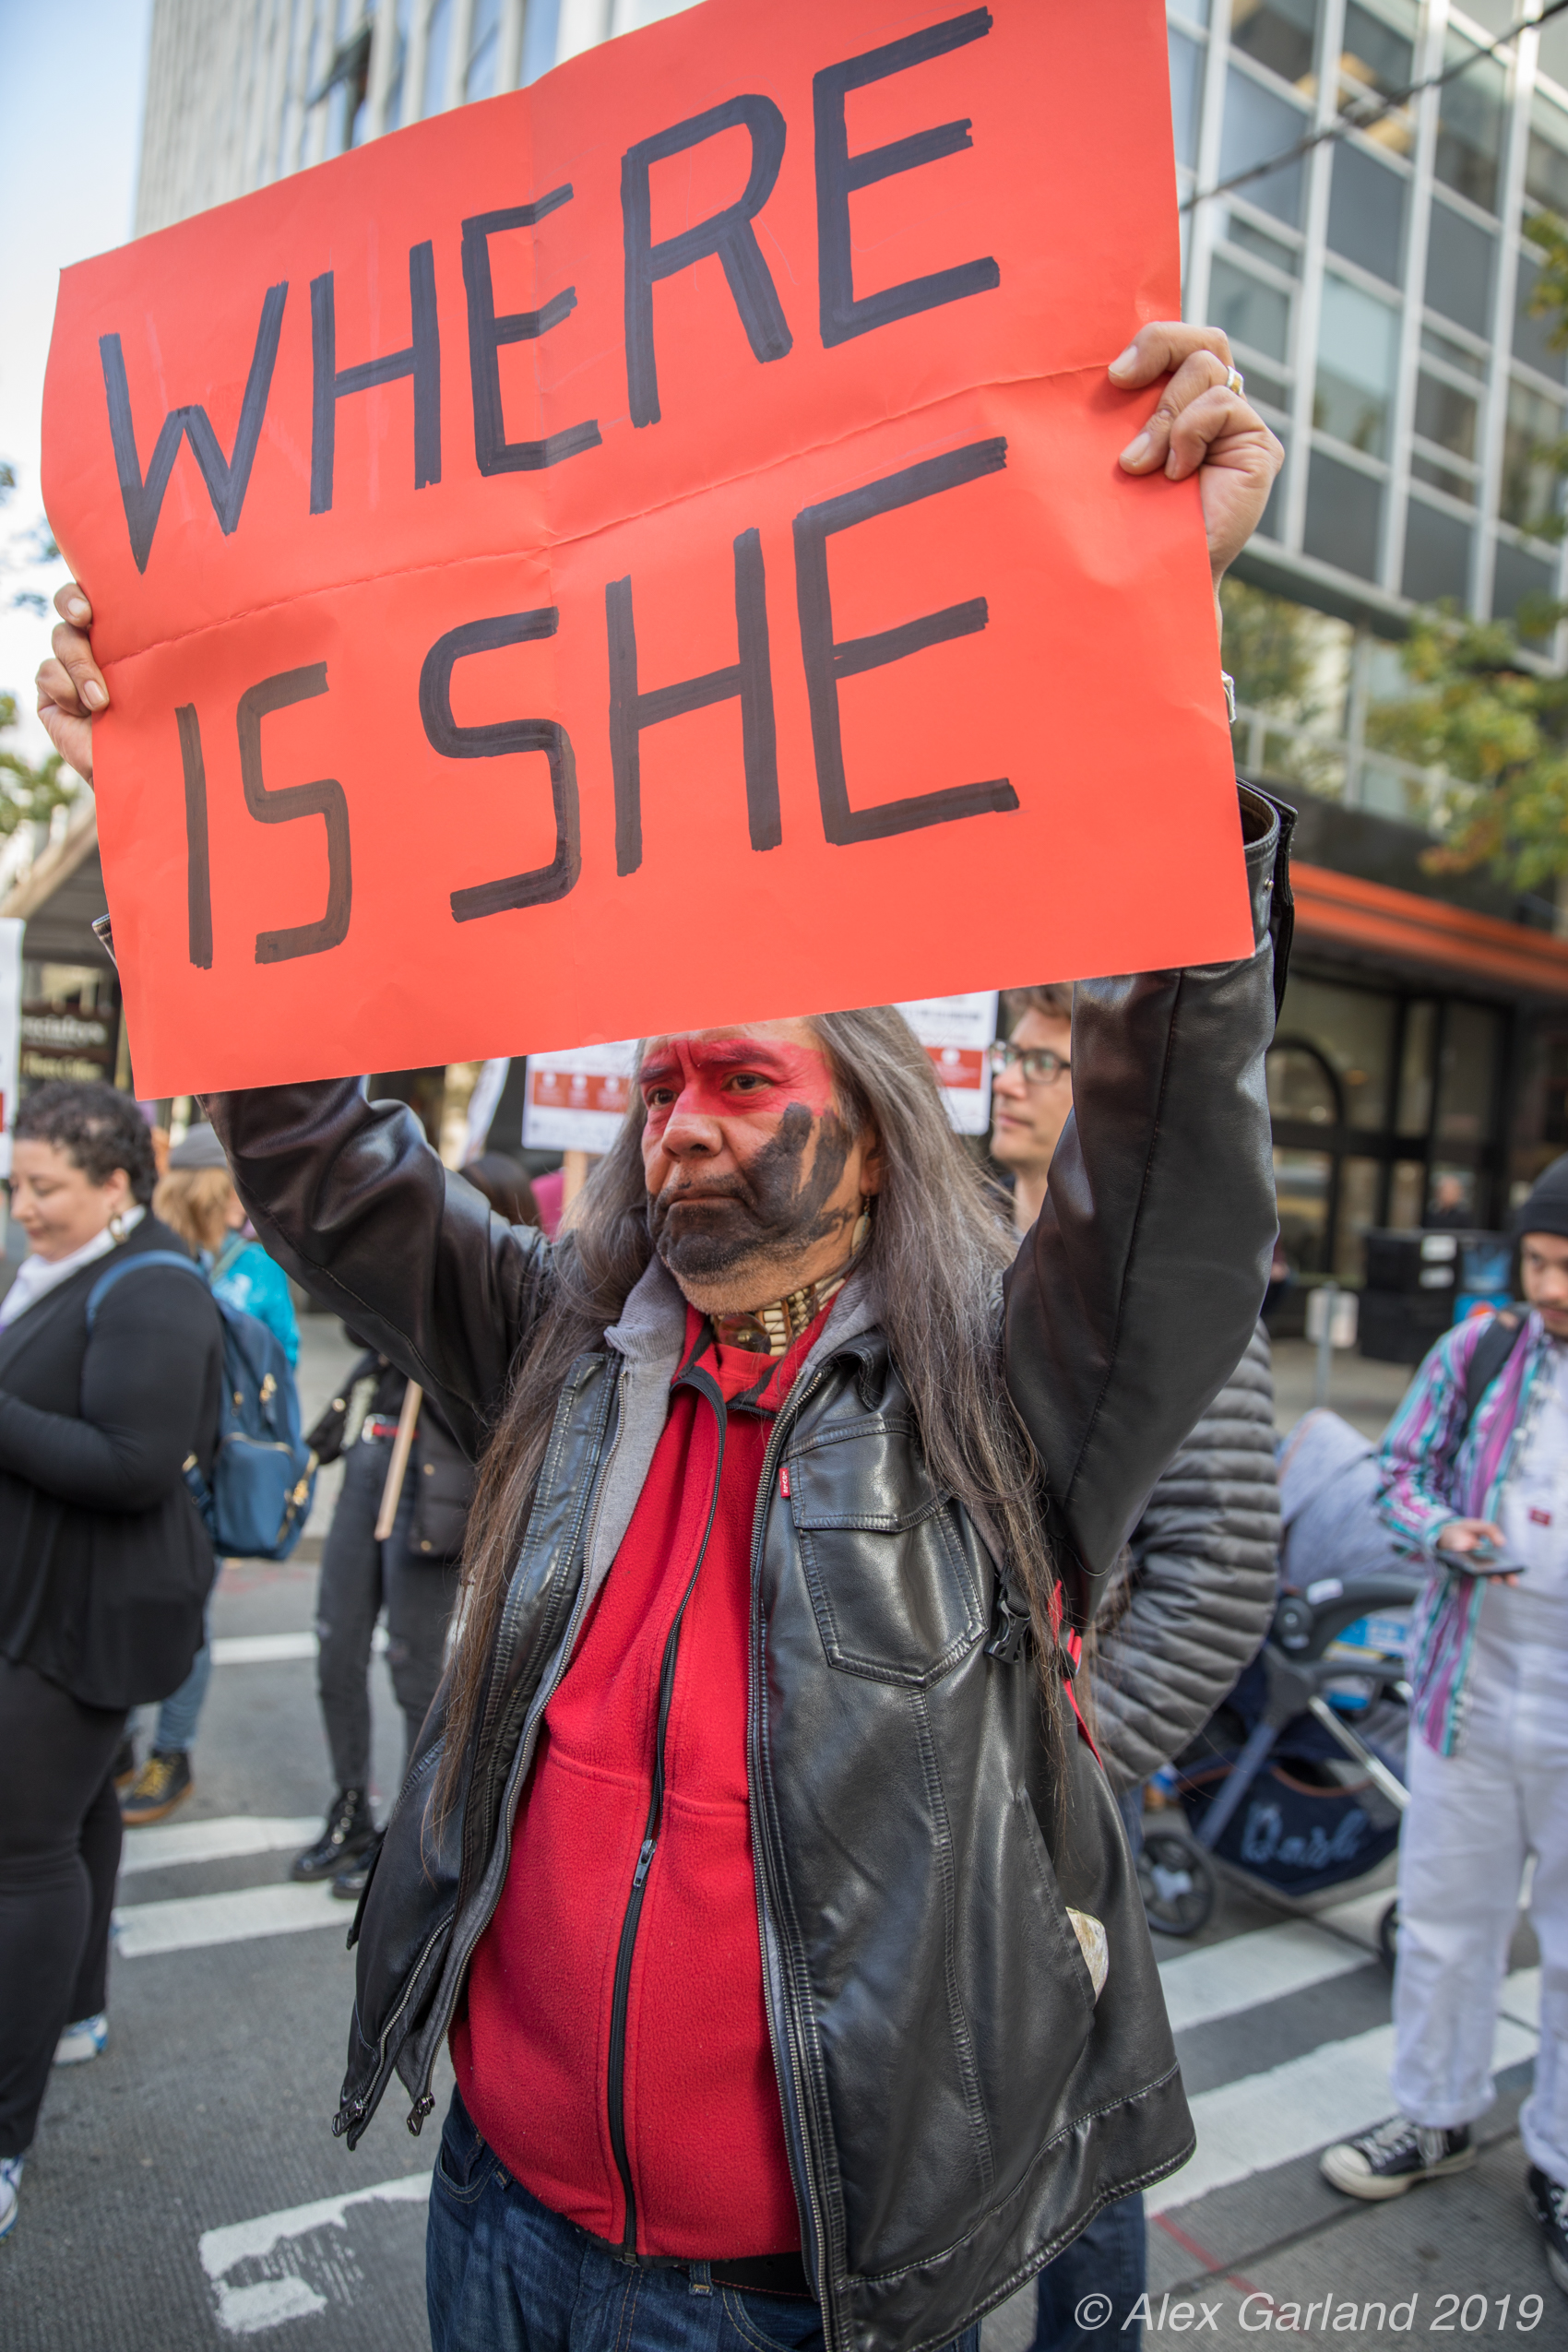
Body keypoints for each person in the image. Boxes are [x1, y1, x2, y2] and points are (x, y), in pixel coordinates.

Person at [41, 320, 1285, 2352]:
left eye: (737, 1080)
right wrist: (187, 806)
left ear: (878, 1133)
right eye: (659, 1085)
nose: (677, 1124)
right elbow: (326, 1161)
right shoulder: (557, 1339)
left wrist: (1157, 654)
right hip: (490, 2216)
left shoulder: (1000, 1401)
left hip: (781, 2297)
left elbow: (1174, 1189)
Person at [998, 996, 1282, 2352]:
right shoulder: (952, 1252)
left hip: (1060, 1797)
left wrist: (1071, 1761)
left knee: (1085, 2118)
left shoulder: (1170, 1290)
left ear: (1105, 1089)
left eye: (1043, 1059)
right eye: (1005, 1053)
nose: (1009, 1080)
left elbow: (1219, 1571)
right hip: (937, 1785)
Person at [1319, 1155, 1568, 2301]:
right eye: (1536, 1263)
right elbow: (1399, 1473)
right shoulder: (1476, 1352)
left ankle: (1559, 2163)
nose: (1548, 1288)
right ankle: (1432, 2115)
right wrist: (1442, 1531)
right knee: (1441, 1925)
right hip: (1465, 1688)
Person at [0, 1083, 221, 2242]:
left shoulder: (154, 1285)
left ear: (117, 1183)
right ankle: (77, 2010)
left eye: (44, 1187)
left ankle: (4, 2134)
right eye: (15, 1185)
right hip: (56, 1592)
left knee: (22, 1856)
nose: (22, 1208)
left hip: (89, 1609)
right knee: (77, 1811)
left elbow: (134, 1465)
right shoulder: (73, 1265)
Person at [291, 1153, 540, 1901]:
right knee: (337, 1642)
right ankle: (349, 1806)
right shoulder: (419, 1268)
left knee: (414, 1671)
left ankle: (409, 1837)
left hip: (433, 1490)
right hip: (373, 1465)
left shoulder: (516, 1299)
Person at [117, 1121, 301, 1823]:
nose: (244, 1201)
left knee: (185, 1618)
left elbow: (281, 1367)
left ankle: (173, 1750)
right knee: (119, 1606)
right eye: (234, 1186)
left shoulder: (255, 1268)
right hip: (141, 1462)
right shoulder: (148, 1256)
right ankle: (120, 1744)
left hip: (208, 1475)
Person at [988, 985, 1075, 1234]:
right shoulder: (953, 1236)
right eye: (1011, 1055)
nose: (1003, 1083)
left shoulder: (1150, 1250)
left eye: (1043, 1063)